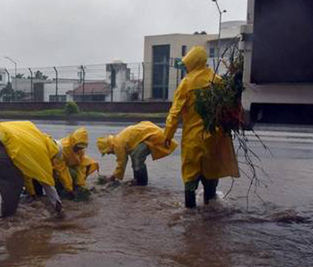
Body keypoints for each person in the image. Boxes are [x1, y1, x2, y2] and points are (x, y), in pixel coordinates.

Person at [163, 46, 239, 208]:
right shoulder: (217, 81)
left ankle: (189, 216)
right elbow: (229, 109)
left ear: (191, 62)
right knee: (211, 177)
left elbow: (174, 113)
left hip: (193, 141)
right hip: (214, 138)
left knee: (190, 178)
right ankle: (210, 213)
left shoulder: (186, 83)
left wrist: (167, 136)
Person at [0, 120, 64, 217]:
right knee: (15, 183)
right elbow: (47, 184)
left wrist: (32, 194)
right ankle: (8, 220)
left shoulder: (33, 132)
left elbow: (26, 172)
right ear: (53, 153)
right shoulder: (42, 154)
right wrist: (57, 206)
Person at [97, 121, 177, 185]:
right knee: (135, 156)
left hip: (153, 135)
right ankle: (138, 181)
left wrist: (113, 177)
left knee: (137, 157)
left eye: (107, 152)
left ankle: (141, 183)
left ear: (108, 147)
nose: (108, 154)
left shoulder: (117, 144)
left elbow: (122, 162)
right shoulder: (118, 139)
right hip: (152, 132)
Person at [55, 127, 99, 197]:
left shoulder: (80, 149)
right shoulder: (62, 148)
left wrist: (80, 184)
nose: (79, 149)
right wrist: (69, 189)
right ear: (73, 142)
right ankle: (60, 189)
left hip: (68, 165)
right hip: (55, 168)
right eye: (77, 147)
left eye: (81, 147)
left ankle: (75, 185)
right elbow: (61, 170)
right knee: (72, 174)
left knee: (89, 163)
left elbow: (81, 166)